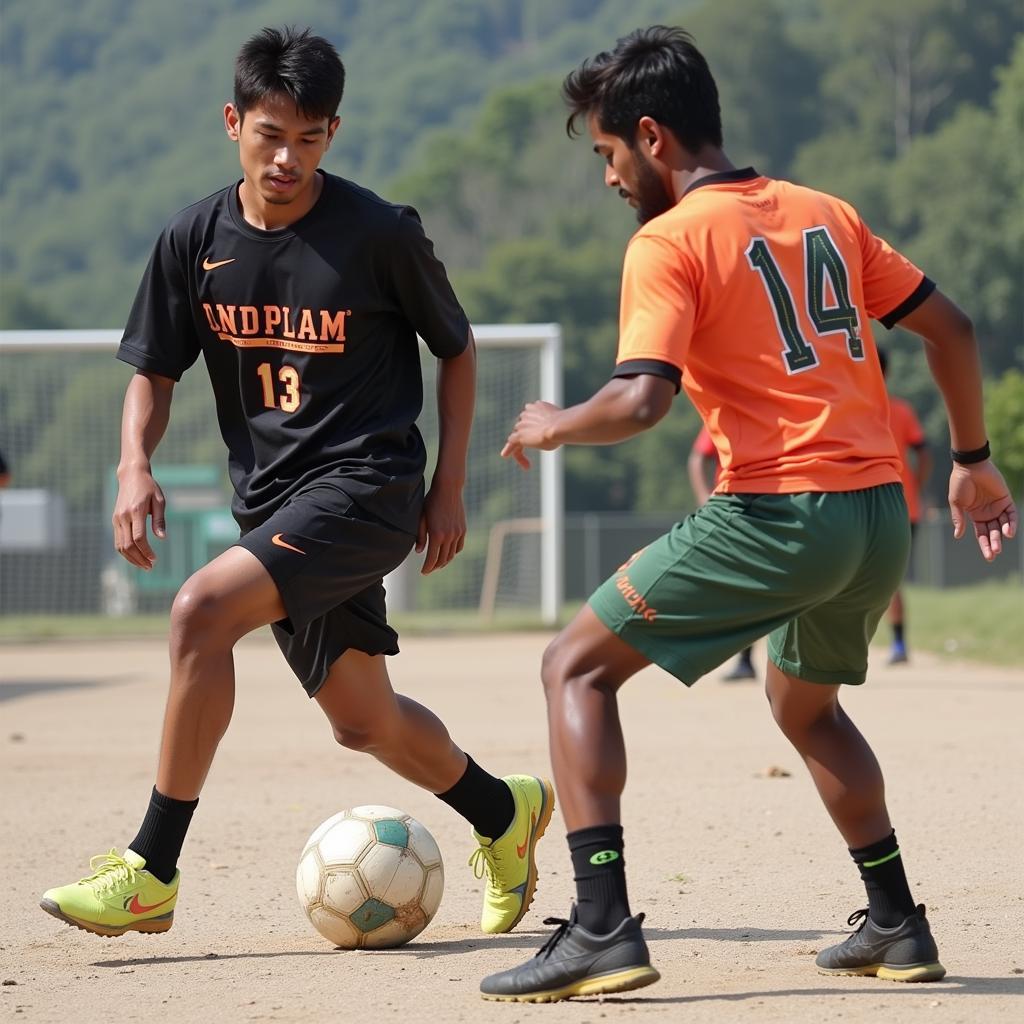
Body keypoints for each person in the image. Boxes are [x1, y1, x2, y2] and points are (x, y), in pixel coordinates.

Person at [482, 26, 1017, 1002]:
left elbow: (641, 401)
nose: (607, 177)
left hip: (782, 510)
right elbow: (953, 327)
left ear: (650, 136)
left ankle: (601, 925)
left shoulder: (668, 238)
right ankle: (897, 920)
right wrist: (972, 462)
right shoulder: (826, 212)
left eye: (606, 154)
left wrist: (557, 423)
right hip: (876, 517)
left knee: (573, 668)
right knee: (800, 700)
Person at [39, 26, 553, 940]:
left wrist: (449, 487)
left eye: (310, 139)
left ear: (333, 133)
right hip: (274, 504)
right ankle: (502, 812)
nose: (287, 158)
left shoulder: (378, 232)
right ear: (233, 122)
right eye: (270, 134)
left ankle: (150, 869)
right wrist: (132, 464)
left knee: (199, 609)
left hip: (369, 485)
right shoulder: (193, 238)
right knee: (364, 721)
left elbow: (459, 347)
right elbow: (153, 370)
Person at [687, 425, 756, 679]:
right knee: (737, 585)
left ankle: (747, 660)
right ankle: (740, 658)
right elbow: (698, 457)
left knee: (749, 587)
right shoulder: (727, 409)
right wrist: (705, 500)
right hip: (733, 506)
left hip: (770, 505)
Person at [878, 348, 932, 664]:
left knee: (886, 578)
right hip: (902, 504)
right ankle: (897, 644)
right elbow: (923, 454)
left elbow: (923, 451)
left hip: (891, 507)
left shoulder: (890, 409)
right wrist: (917, 486)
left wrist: (916, 487)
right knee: (888, 578)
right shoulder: (899, 409)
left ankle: (898, 644)